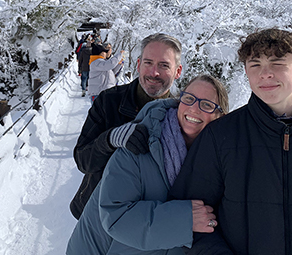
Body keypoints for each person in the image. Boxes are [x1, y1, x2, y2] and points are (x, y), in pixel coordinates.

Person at [169, 28, 292, 254]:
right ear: (246, 72)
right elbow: (191, 218)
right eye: (255, 65)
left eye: (277, 63)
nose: (265, 73)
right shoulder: (219, 137)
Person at [67, 75, 230, 254]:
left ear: (221, 115)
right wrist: (185, 220)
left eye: (206, 104)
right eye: (189, 98)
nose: (194, 108)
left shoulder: (221, 164)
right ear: (179, 101)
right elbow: (116, 216)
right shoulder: (140, 143)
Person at [70, 33, 183, 220]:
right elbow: (83, 160)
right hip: (96, 215)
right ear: (138, 65)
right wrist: (108, 140)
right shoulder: (109, 101)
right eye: (148, 63)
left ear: (177, 71)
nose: (154, 72)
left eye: (164, 65)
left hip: (147, 222)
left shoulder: (182, 115)